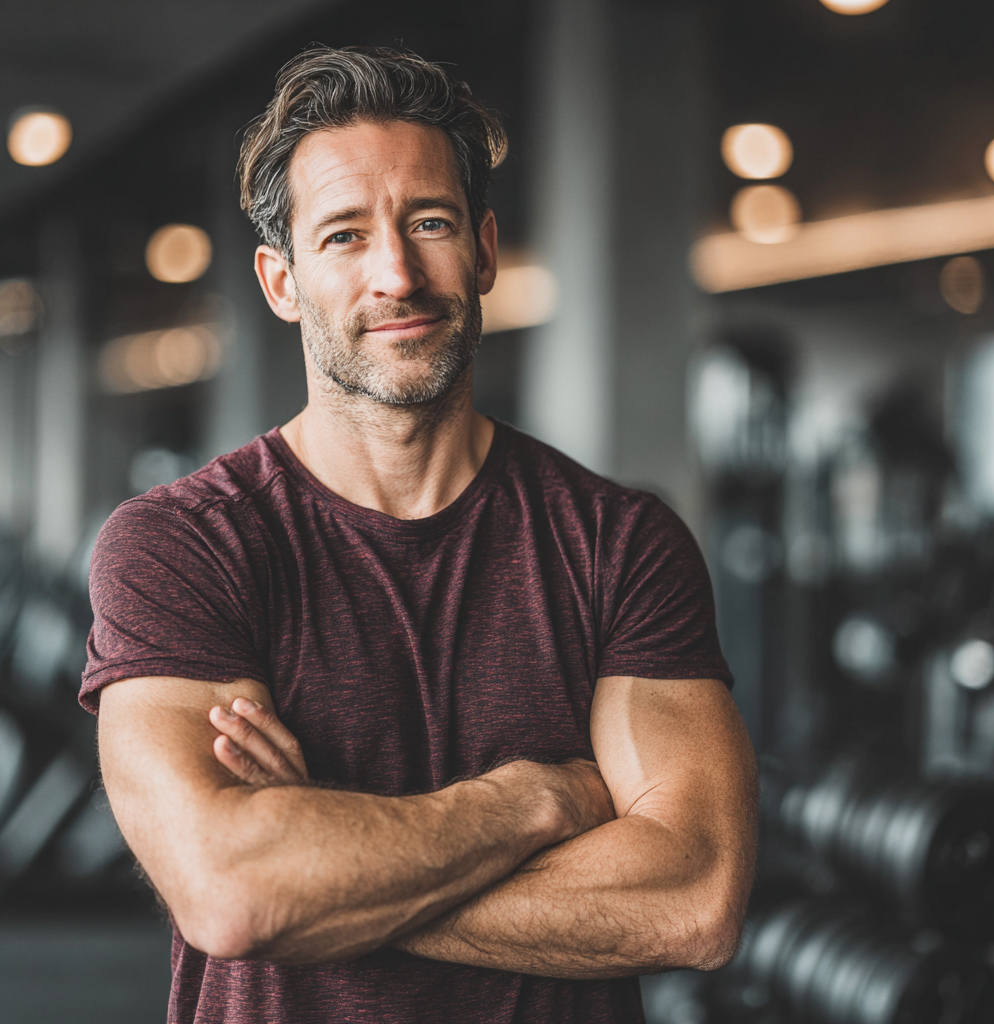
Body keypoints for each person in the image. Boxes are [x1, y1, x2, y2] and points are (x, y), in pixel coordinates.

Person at [83, 46, 757, 1024]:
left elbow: (692, 898)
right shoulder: (183, 545)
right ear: (281, 282)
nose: (396, 273)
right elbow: (233, 890)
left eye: (429, 223)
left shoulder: (618, 543)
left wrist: (324, 863)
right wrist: (534, 800)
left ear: (484, 250)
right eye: (345, 236)